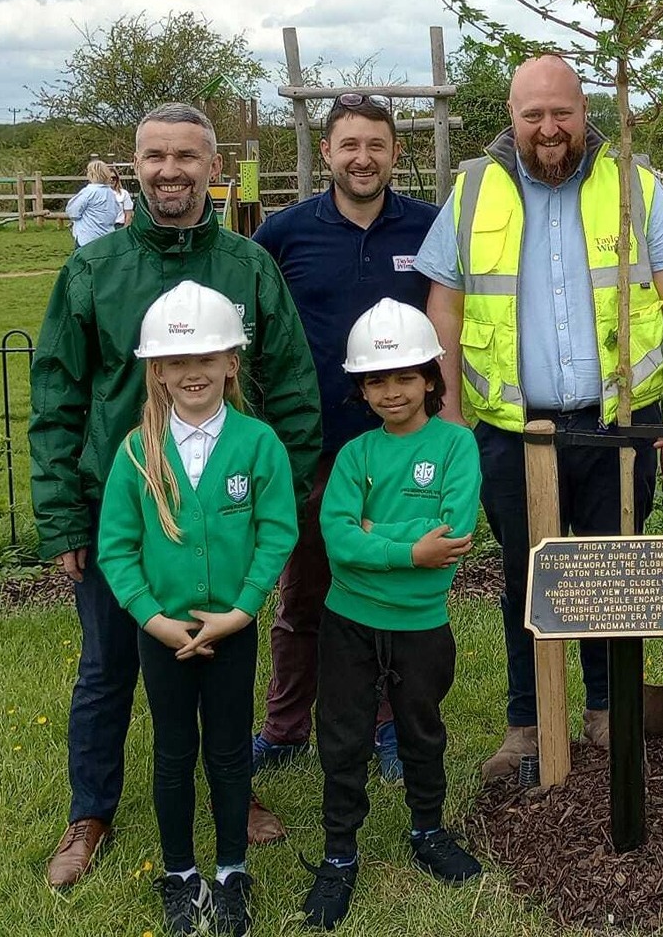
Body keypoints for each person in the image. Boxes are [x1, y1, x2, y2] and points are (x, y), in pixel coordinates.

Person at [30, 102, 322, 889]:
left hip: (224, 512)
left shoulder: (248, 267)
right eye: (155, 156)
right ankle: (90, 812)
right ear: (135, 167)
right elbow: (56, 395)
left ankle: (234, 792)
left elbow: (293, 386)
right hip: (119, 515)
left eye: (187, 157)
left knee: (223, 658)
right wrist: (64, 515)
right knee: (107, 668)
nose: (170, 171)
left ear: (213, 168)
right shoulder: (94, 270)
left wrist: (278, 501)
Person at [415, 53, 663, 779]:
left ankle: (606, 712)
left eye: (562, 113)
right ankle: (528, 724)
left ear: (585, 111)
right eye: (533, 114)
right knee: (525, 577)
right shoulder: (472, 190)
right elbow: (443, 307)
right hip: (513, 431)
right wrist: (448, 413)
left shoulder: (632, 182)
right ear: (511, 118)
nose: (549, 128)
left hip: (618, 426)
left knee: (614, 573)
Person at [250, 93, 440, 787]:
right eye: (349, 145)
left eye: (376, 145)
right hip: (312, 446)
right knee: (304, 595)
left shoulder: (430, 229)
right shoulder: (283, 235)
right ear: (326, 152)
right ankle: (284, 728)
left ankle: (388, 728)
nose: (363, 158)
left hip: (401, 447)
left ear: (395, 153)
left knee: (391, 593)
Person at [97, 282, 298, 937]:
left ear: (231, 363)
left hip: (232, 631)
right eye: (177, 362)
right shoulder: (137, 452)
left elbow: (277, 532)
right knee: (174, 751)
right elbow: (116, 548)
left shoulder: (258, 443)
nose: (193, 372)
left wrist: (242, 611)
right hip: (163, 635)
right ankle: (181, 874)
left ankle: (232, 870)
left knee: (230, 753)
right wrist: (154, 620)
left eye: (207, 358)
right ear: (156, 371)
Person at [301, 300, 483, 930]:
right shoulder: (355, 455)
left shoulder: (457, 445)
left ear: (432, 378)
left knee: (421, 730)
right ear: (360, 388)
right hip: (348, 622)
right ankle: (338, 854)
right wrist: (409, 548)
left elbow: (452, 533)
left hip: (421, 624)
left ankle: (427, 830)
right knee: (343, 734)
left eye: (406, 376)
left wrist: (372, 533)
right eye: (376, 380)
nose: (392, 391)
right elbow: (337, 541)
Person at [65, 159, 124, 247]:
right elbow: (116, 212)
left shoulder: (89, 192)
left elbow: (73, 212)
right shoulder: (110, 193)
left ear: (91, 174)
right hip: (107, 237)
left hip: (87, 238)